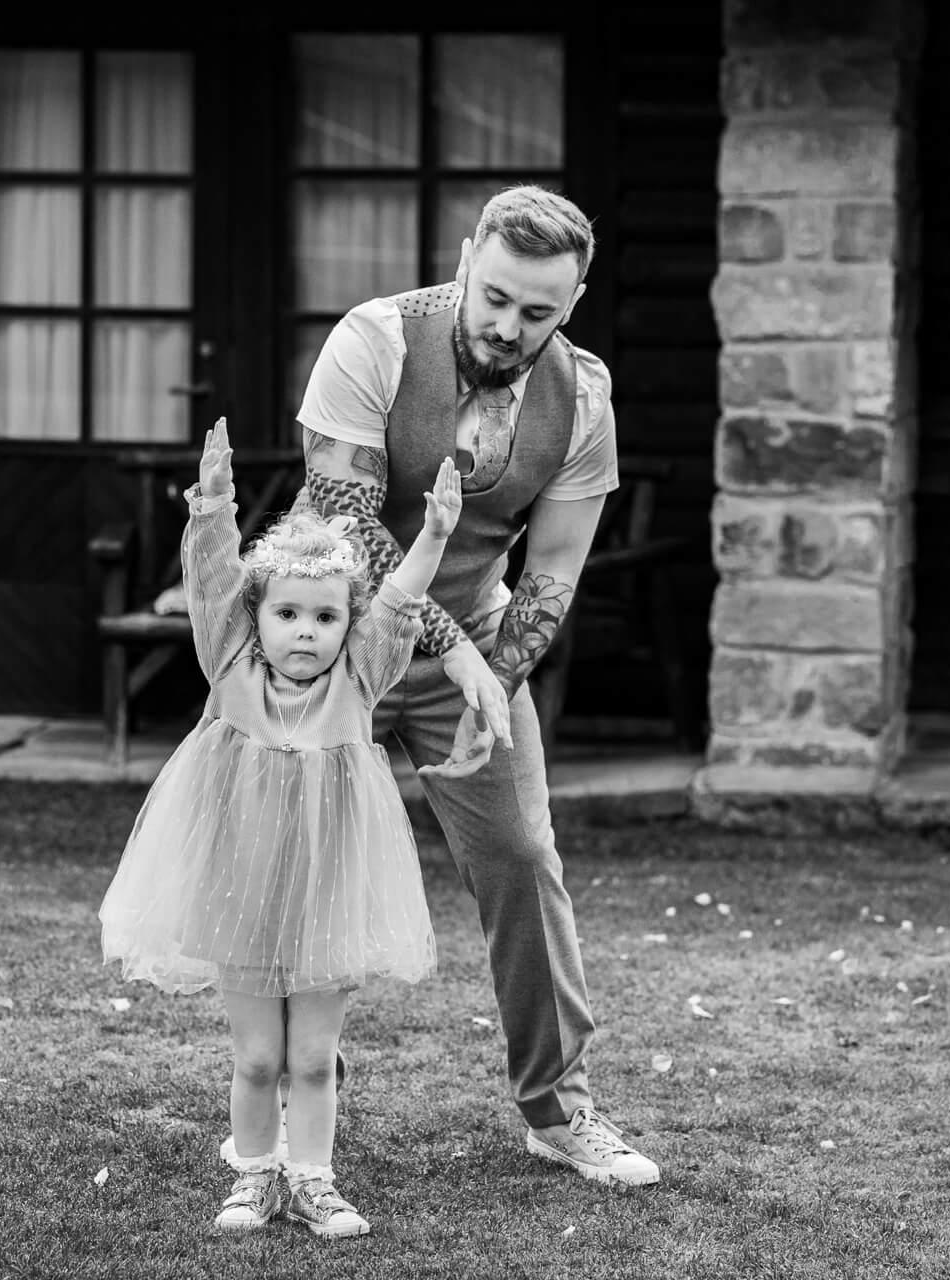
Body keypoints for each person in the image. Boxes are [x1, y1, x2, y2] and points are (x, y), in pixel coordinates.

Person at [286, 184, 661, 1186]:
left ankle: (557, 1107)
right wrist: (447, 647)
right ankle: (295, 1096)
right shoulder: (373, 341)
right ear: (464, 260)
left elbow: (550, 575)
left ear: (571, 302)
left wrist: (486, 681)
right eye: (493, 296)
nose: (507, 325)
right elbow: (348, 526)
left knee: (524, 861)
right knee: (303, 870)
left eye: (537, 311)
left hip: (472, 653)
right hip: (327, 642)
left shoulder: (582, 395)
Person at [99, 419, 464, 1238]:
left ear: (347, 627)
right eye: (290, 614)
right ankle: (255, 1177)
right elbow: (212, 579)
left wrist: (435, 534)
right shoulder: (230, 665)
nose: (307, 631)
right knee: (259, 1057)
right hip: (243, 897)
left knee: (311, 1058)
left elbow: (399, 600)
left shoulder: (360, 679)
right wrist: (217, 504)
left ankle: (314, 1181)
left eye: (326, 618)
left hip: (329, 899)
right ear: (257, 619)